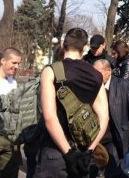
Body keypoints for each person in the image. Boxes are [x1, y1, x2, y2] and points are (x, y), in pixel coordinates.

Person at [34, 27, 109, 178]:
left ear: (63, 44)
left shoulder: (51, 71)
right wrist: (89, 151)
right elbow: (104, 118)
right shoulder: (96, 75)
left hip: (54, 152)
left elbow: (49, 117)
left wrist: (68, 153)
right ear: (85, 48)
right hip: (83, 153)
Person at [93, 59, 129, 177]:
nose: (93, 75)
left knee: (114, 172)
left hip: (115, 138)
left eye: (96, 72)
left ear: (108, 71)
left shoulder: (123, 85)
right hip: (94, 139)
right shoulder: (91, 86)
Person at [0, 48, 22, 177]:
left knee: (11, 173)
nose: (16, 67)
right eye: (13, 63)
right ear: (3, 61)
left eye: (19, 63)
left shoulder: (13, 83)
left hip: (9, 136)